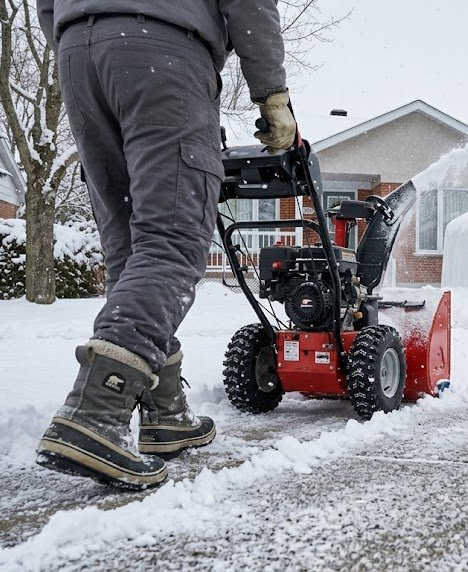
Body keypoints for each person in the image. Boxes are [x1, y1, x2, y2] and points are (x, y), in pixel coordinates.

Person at [34, 0, 295, 490]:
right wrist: (271, 94)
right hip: (162, 52)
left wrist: (87, 38)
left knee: (130, 247)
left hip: (77, 55)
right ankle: (96, 412)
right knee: (171, 239)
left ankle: (165, 412)